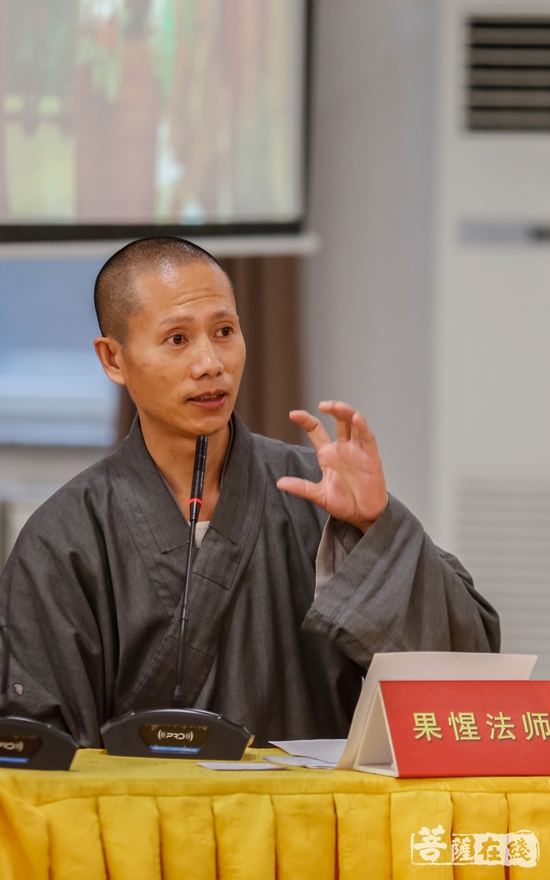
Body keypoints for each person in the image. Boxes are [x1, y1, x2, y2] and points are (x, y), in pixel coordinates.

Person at [0, 238, 500, 748]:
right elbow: (37, 751)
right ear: (113, 359)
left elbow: (471, 678)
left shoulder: (320, 496)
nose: (210, 363)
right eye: (177, 339)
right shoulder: (65, 538)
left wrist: (377, 527)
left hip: (313, 802)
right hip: (133, 804)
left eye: (224, 331)